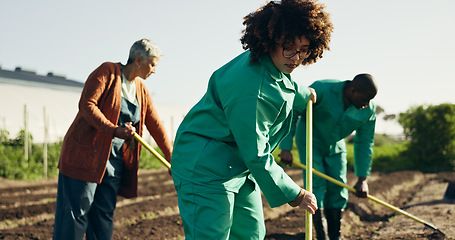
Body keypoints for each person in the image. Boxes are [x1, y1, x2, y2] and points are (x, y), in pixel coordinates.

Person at [170, 0, 333, 239]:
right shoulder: (252, 90)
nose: (296, 57)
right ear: (270, 39)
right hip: (205, 166)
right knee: (211, 235)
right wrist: (297, 194)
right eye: (289, 46)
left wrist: (305, 93)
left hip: (236, 166)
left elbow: (283, 85)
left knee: (251, 233)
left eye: (304, 49)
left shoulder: (272, 64)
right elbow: (257, 153)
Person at [52, 38, 173, 240]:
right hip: (85, 156)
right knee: (75, 215)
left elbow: (156, 125)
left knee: (103, 217)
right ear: (139, 60)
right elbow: (87, 106)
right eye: (152, 64)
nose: (154, 70)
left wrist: (171, 159)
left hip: (113, 163)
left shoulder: (140, 90)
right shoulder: (107, 72)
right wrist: (114, 130)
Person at [279, 73, 378, 240]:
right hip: (311, 140)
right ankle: (322, 236)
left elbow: (365, 142)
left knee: (338, 185)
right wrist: (286, 147)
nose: (367, 104)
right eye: (365, 98)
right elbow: (294, 111)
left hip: (336, 144)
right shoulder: (323, 89)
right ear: (352, 91)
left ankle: (335, 236)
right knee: (316, 184)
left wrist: (363, 179)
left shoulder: (368, 110)